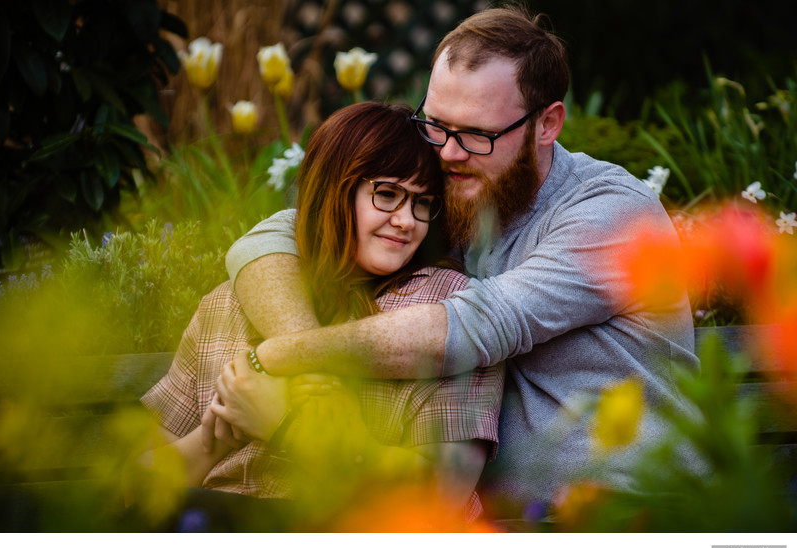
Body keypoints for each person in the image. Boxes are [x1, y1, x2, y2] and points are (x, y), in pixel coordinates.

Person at [222, 5, 699, 518]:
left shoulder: (611, 212)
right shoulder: (456, 188)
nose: (447, 153)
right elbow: (277, 236)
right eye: (435, 125)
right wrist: (312, 395)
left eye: (476, 133)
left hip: (630, 514)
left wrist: (281, 358)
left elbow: (478, 327)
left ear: (547, 124)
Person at [139, 101, 503, 526]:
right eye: (386, 194)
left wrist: (290, 425)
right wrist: (219, 435)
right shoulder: (229, 304)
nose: (407, 220)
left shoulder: (448, 314)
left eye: (423, 203)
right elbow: (136, 487)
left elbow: (441, 495)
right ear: (331, 188)